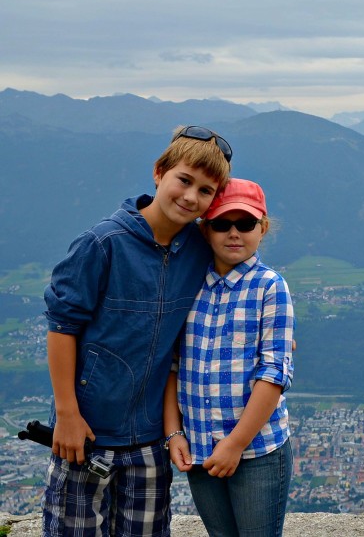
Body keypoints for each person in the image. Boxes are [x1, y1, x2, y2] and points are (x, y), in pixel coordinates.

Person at [43, 125, 233, 536]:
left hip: (149, 441)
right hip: (86, 434)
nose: (190, 197)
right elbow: (62, 327)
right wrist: (67, 414)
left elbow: (237, 281)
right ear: (159, 172)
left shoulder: (198, 251)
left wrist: (269, 335)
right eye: (184, 180)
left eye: (206, 191)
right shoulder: (103, 244)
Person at [164, 178, 295, 537]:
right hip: (200, 448)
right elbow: (172, 365)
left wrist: (234, 444)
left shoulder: (270, 287)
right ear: (205, 231)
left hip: (257, 452)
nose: (233, 233)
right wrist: (174, 433)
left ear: (262, 228)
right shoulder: (189, 286)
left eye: (246, 223)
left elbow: (274, 375)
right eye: (222, 224)